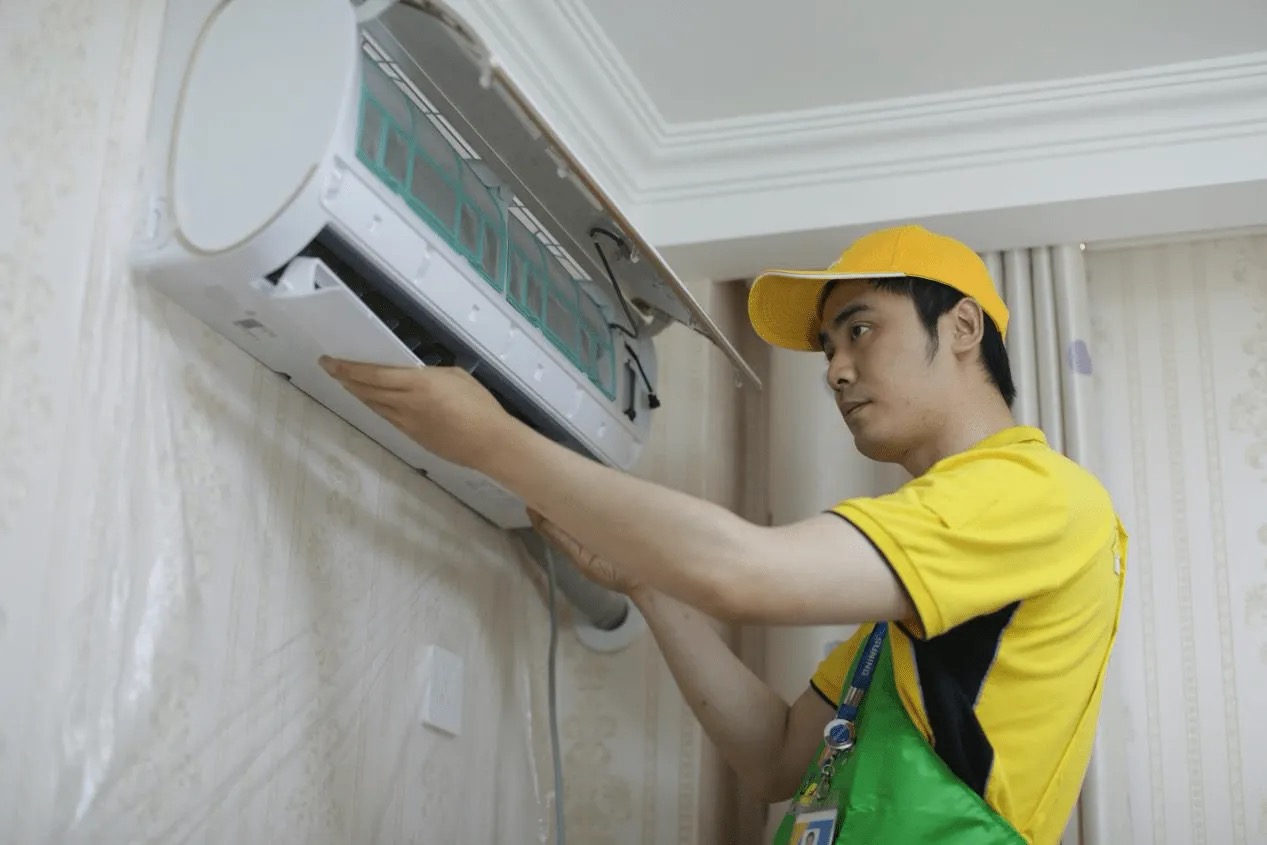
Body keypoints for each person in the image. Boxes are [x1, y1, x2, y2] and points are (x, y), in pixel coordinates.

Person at [320, 224, 1128, 845]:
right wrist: (647, 586)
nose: (834, 369)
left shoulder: (1032, 493)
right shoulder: (918, 599)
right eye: (827, 347)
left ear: (960, 326)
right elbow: (775, 756)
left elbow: (744, 570)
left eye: (858, 329)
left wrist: (491, 441)